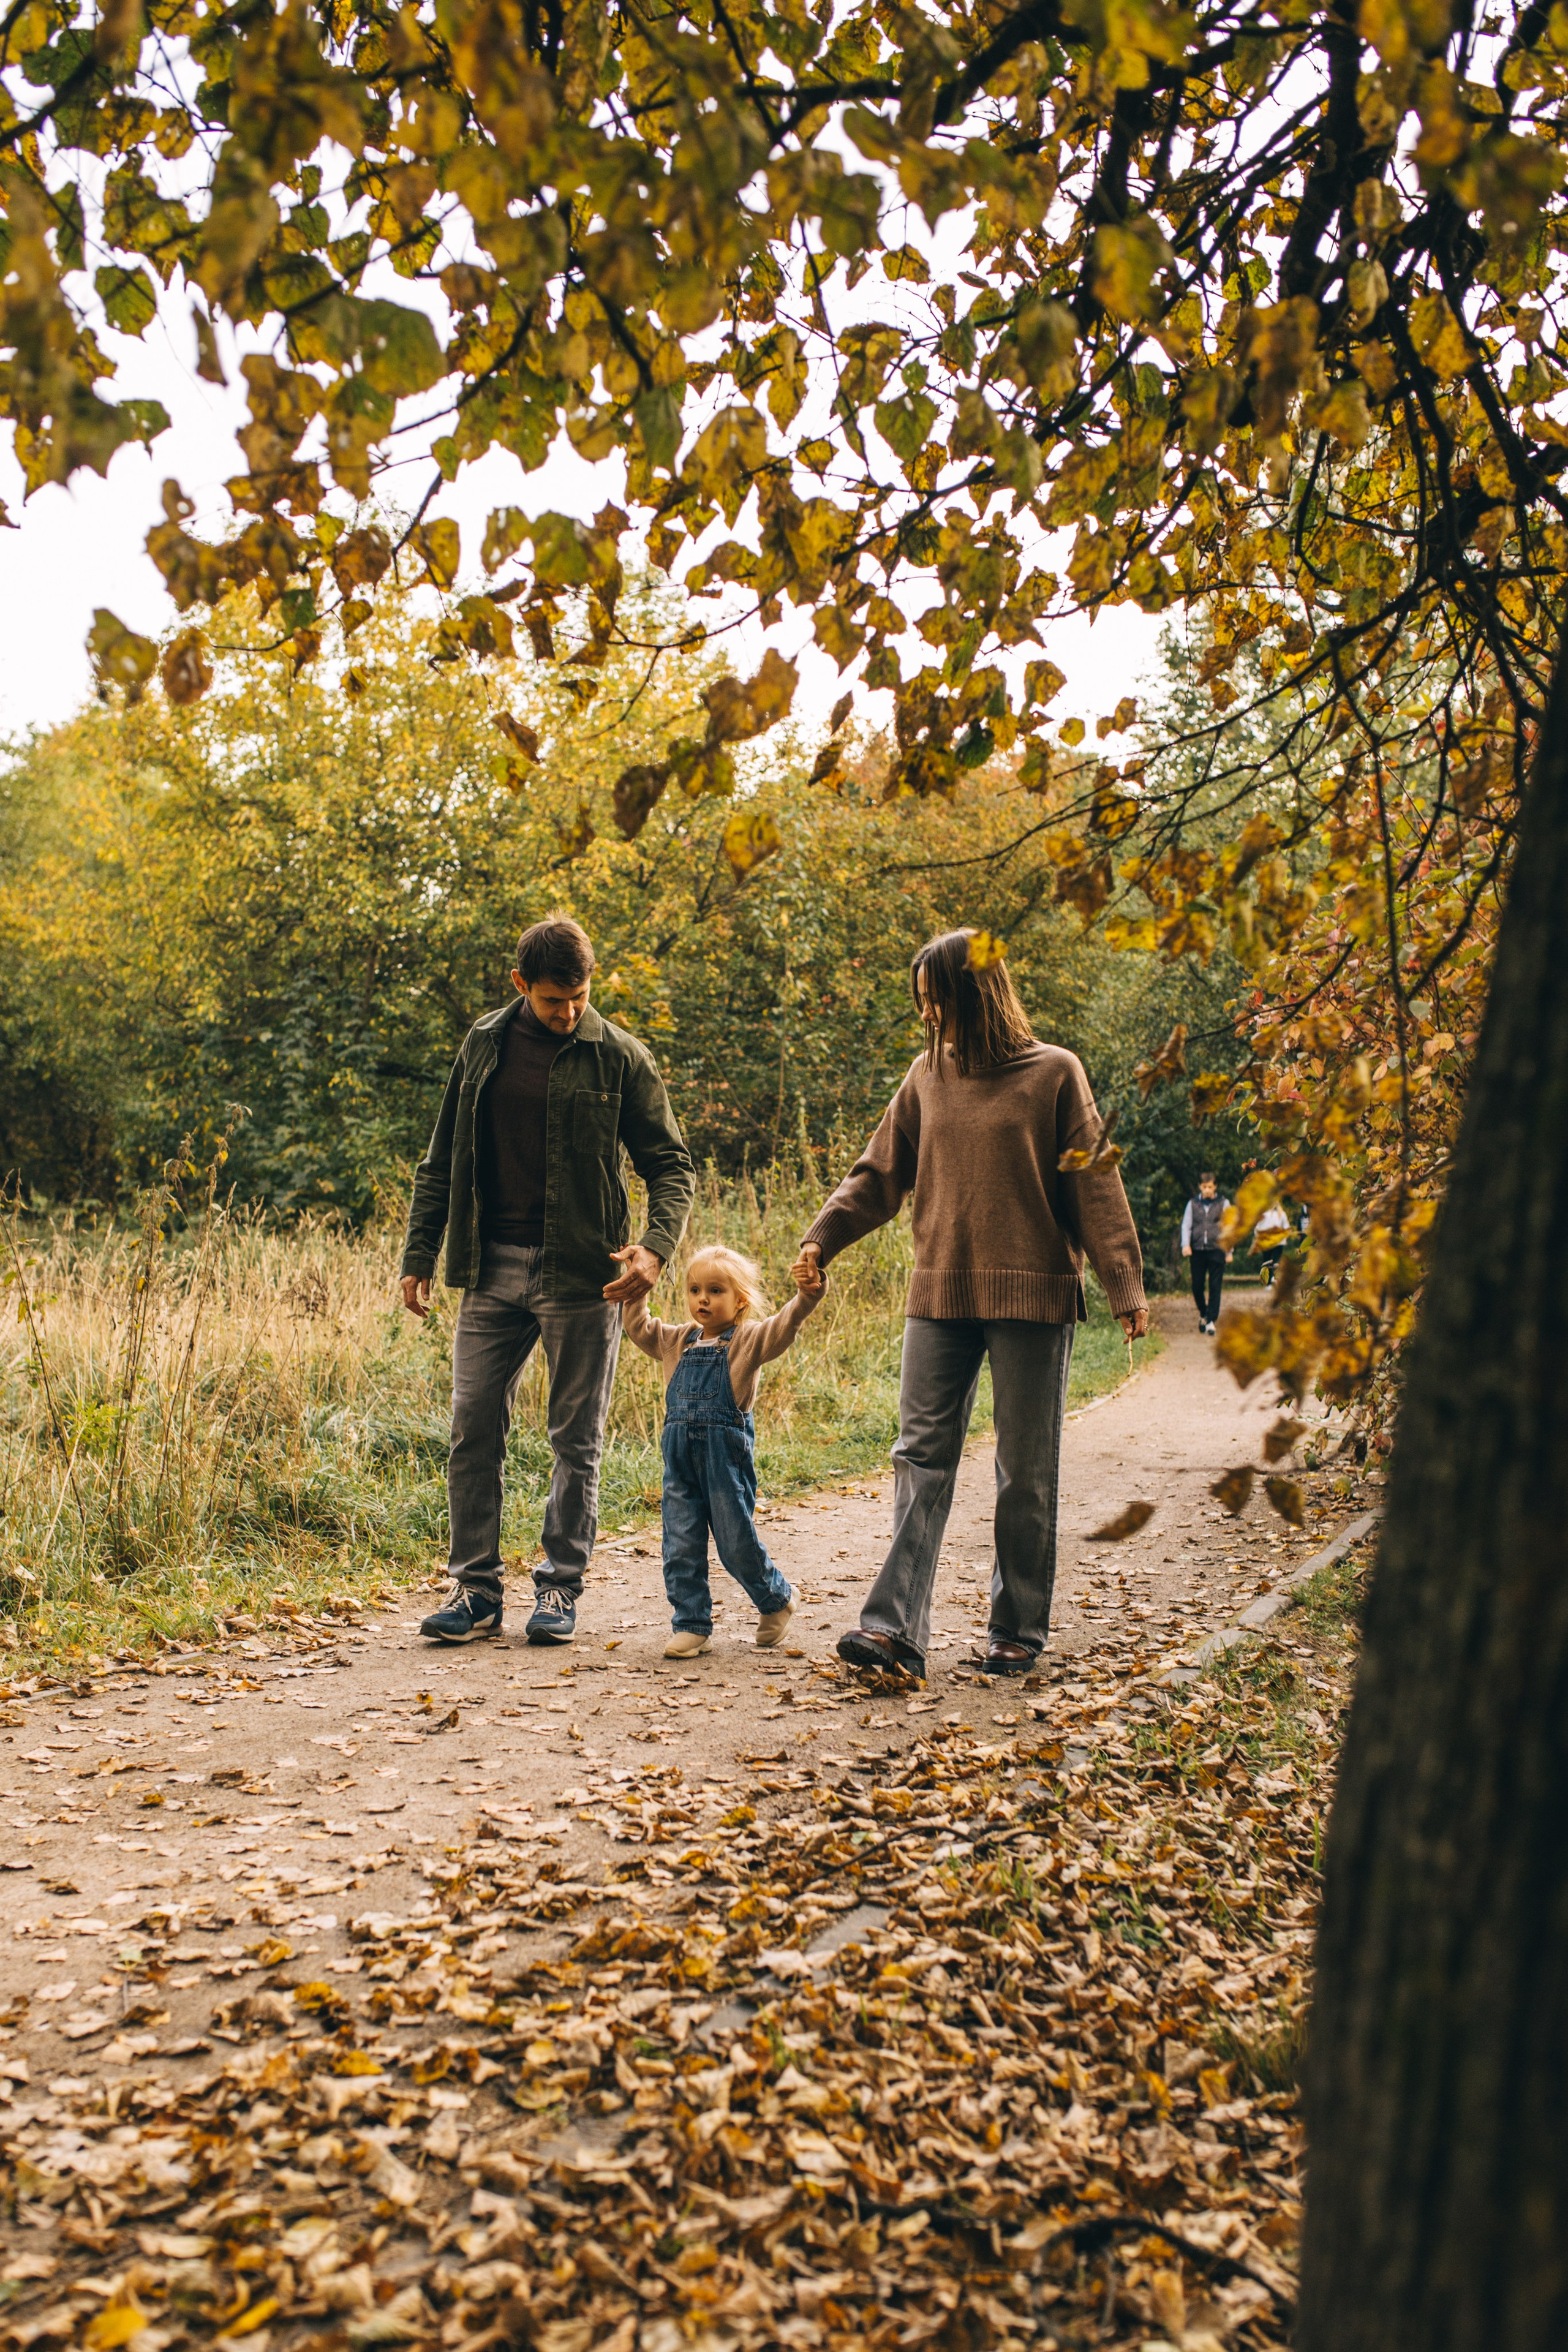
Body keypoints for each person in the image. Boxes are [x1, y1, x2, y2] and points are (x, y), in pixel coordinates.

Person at [790, 929, 1148, 1683]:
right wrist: (822, 1237)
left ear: (974, 993)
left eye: (936, 999)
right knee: (918, 1458)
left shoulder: (1054, 1073)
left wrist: (1123, 1285)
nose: (926, 1014)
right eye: (921, 1001)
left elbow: (1095, 1186)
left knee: (1025, 1471)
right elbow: (876, 1174)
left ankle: (1016, 1627)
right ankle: (894, 1630)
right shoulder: (927, 1075)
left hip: (1032, 1296)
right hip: (940, 1292)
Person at [399, 915, 695, 1646]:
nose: (567, 1013)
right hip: (490, 1266)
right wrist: (418, 1254)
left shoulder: (620, 1056)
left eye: (579, 998)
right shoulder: (483, 1043)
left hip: (585, 1275)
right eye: (553, 1000)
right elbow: (442, 1156)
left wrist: (655, 1250)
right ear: (520, 984)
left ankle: (560, 1588)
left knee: (575, 1439)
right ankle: (475, 1592)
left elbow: (671, 1166)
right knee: (472, 1429)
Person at [623, 1243, 826, 1659]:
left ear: (740, 1301)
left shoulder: (748, 1341)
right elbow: (639, 1328)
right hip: (679, 1463)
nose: (703, 1299)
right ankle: (691, 1623)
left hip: (724, 1462)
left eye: (716, 1291)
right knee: (680, 1543)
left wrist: (807, 1296)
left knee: (735, 1542)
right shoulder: (676, 1340)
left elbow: (785, 1324)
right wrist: (636, 1289)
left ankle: (776, 1598)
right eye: (695, 1290)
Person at [1182, 1171, 1231, 1333]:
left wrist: (1229, 1251)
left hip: (1217, 1249)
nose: (1207, 1190)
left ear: (1215, 1187)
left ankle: (1211, 1321)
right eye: (1204, 1187)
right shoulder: (1193, 1204)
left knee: (1215, 1286)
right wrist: (1185, 1245)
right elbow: (1187, 1225)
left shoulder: (1223, 1203)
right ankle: (1204, 1312)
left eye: (1210, 1187)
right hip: (1197, 1250)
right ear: (1200, 1187)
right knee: (1197, 1286)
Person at [1253, 1200, 1291, 1286]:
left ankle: (1269, 1281)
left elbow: (1257, 1228)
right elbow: (1287, 1228)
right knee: (1276, 1260)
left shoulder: (1265, 1215)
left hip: (1268, 1242)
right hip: (1277, 1242)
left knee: (1267, 1261)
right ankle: (1274, 1279)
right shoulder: (1281, 1214)